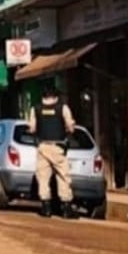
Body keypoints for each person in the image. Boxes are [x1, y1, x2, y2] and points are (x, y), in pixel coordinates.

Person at [27, 84, 79, 219]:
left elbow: (32, 128)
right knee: (63, 176)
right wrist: (69, 130)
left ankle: (46, 208)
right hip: (58, 147)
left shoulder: (35, 109)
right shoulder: (63, 108)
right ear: (55, 96)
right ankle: (66, 208)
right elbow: (70, 126)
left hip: (42, 146)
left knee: (43, 177)